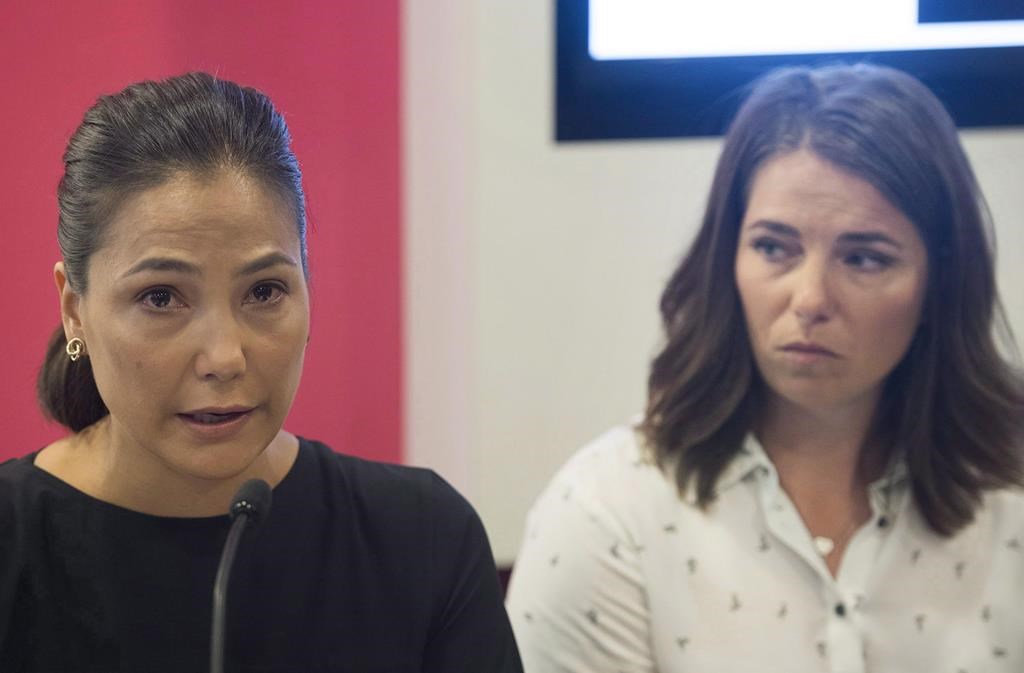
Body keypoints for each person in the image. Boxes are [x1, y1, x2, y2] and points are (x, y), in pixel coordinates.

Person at [506, 64, 1024, 672]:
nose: (809, 299)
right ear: (726, 256)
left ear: (940, 282)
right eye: (774, 247)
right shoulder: (608, 510)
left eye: (864, 258)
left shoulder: (1007, 498)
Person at [0, 72, 522, 673]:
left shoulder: (423, 539)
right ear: (75, 311)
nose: (225, 358)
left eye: (265, 291)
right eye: (161, 298)